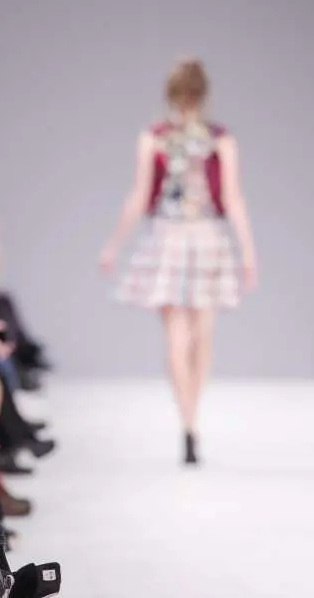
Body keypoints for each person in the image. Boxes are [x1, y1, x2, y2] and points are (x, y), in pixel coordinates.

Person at [99, 57, 258, 465]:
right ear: (203, 94)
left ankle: (186, 423)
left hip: (168, 238)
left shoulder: (154, 137)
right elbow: (234, 199)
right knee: (201, 336)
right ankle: (191, 421)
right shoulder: (220, 139)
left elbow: (138, 197)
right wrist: (247, 254)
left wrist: (114, 245)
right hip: (206, 239)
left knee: (177, 339)